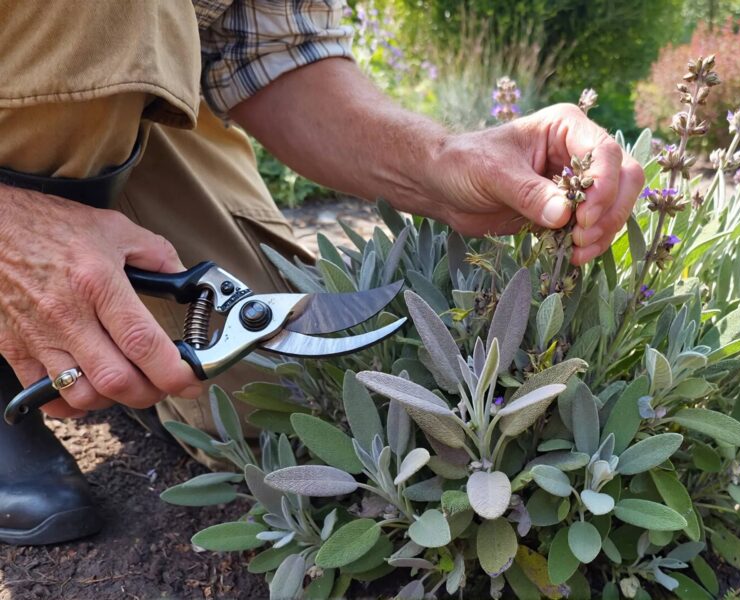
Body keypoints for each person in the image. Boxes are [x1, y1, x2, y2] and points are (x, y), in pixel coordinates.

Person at [0, 0, 644, 546]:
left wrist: (442, 162)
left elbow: (272, 47)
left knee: (265, 394)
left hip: (113, 107)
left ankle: (77, 303)